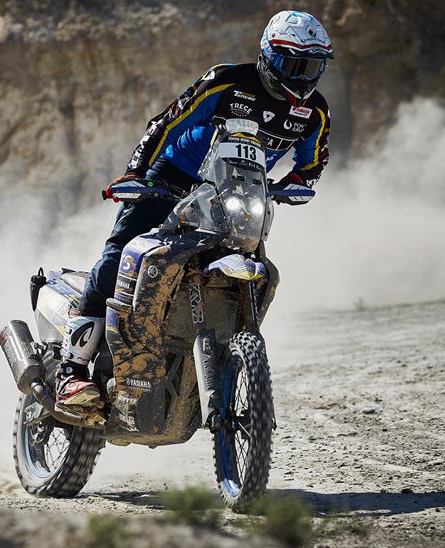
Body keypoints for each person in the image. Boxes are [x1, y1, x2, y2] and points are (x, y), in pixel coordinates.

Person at [56, 10, 334, 409]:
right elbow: (165, 123)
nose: (305, 78)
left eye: (314, 68)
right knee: (120, 256)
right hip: (172, 180)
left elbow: (312, 165)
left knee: (253, 267)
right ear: (270, 57)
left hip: (232, 199)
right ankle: (73, 369)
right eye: (296, 65)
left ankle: (217, 360)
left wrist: (293, 187)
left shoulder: (314, 112)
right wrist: (138, 173)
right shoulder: (226, 82)